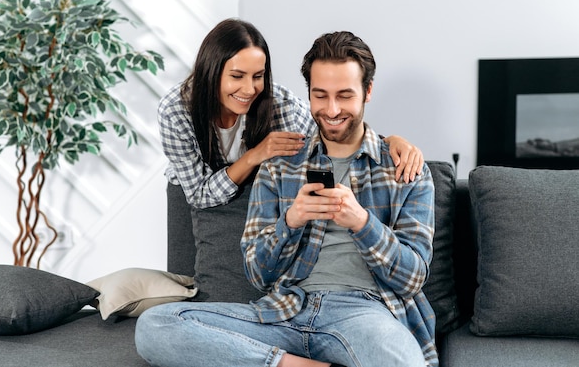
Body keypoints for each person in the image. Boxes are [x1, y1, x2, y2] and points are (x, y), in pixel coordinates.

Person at [136, 30, 437, 367]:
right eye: (320, 96)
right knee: (156, 325)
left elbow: (413, 279)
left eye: (345, 95)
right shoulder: (279, 167)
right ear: (308, 96)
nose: (332, 109)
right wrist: (290, 222)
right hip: (283, 312)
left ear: (367, 92)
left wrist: (363, 223)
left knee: (405, 362)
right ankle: (287, 364)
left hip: (364, 314)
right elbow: (257, 275)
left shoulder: (403, 169)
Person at [158, 18, 423, 211]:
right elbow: (199, 194)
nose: (249, 89)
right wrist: (255, 155)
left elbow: (334, 132)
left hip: (261, 196)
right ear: (211, 72)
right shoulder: (175, 111)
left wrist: (389, 143)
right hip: (201, 201)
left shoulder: (279, 103)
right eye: (237, 76)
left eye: (258, 76)